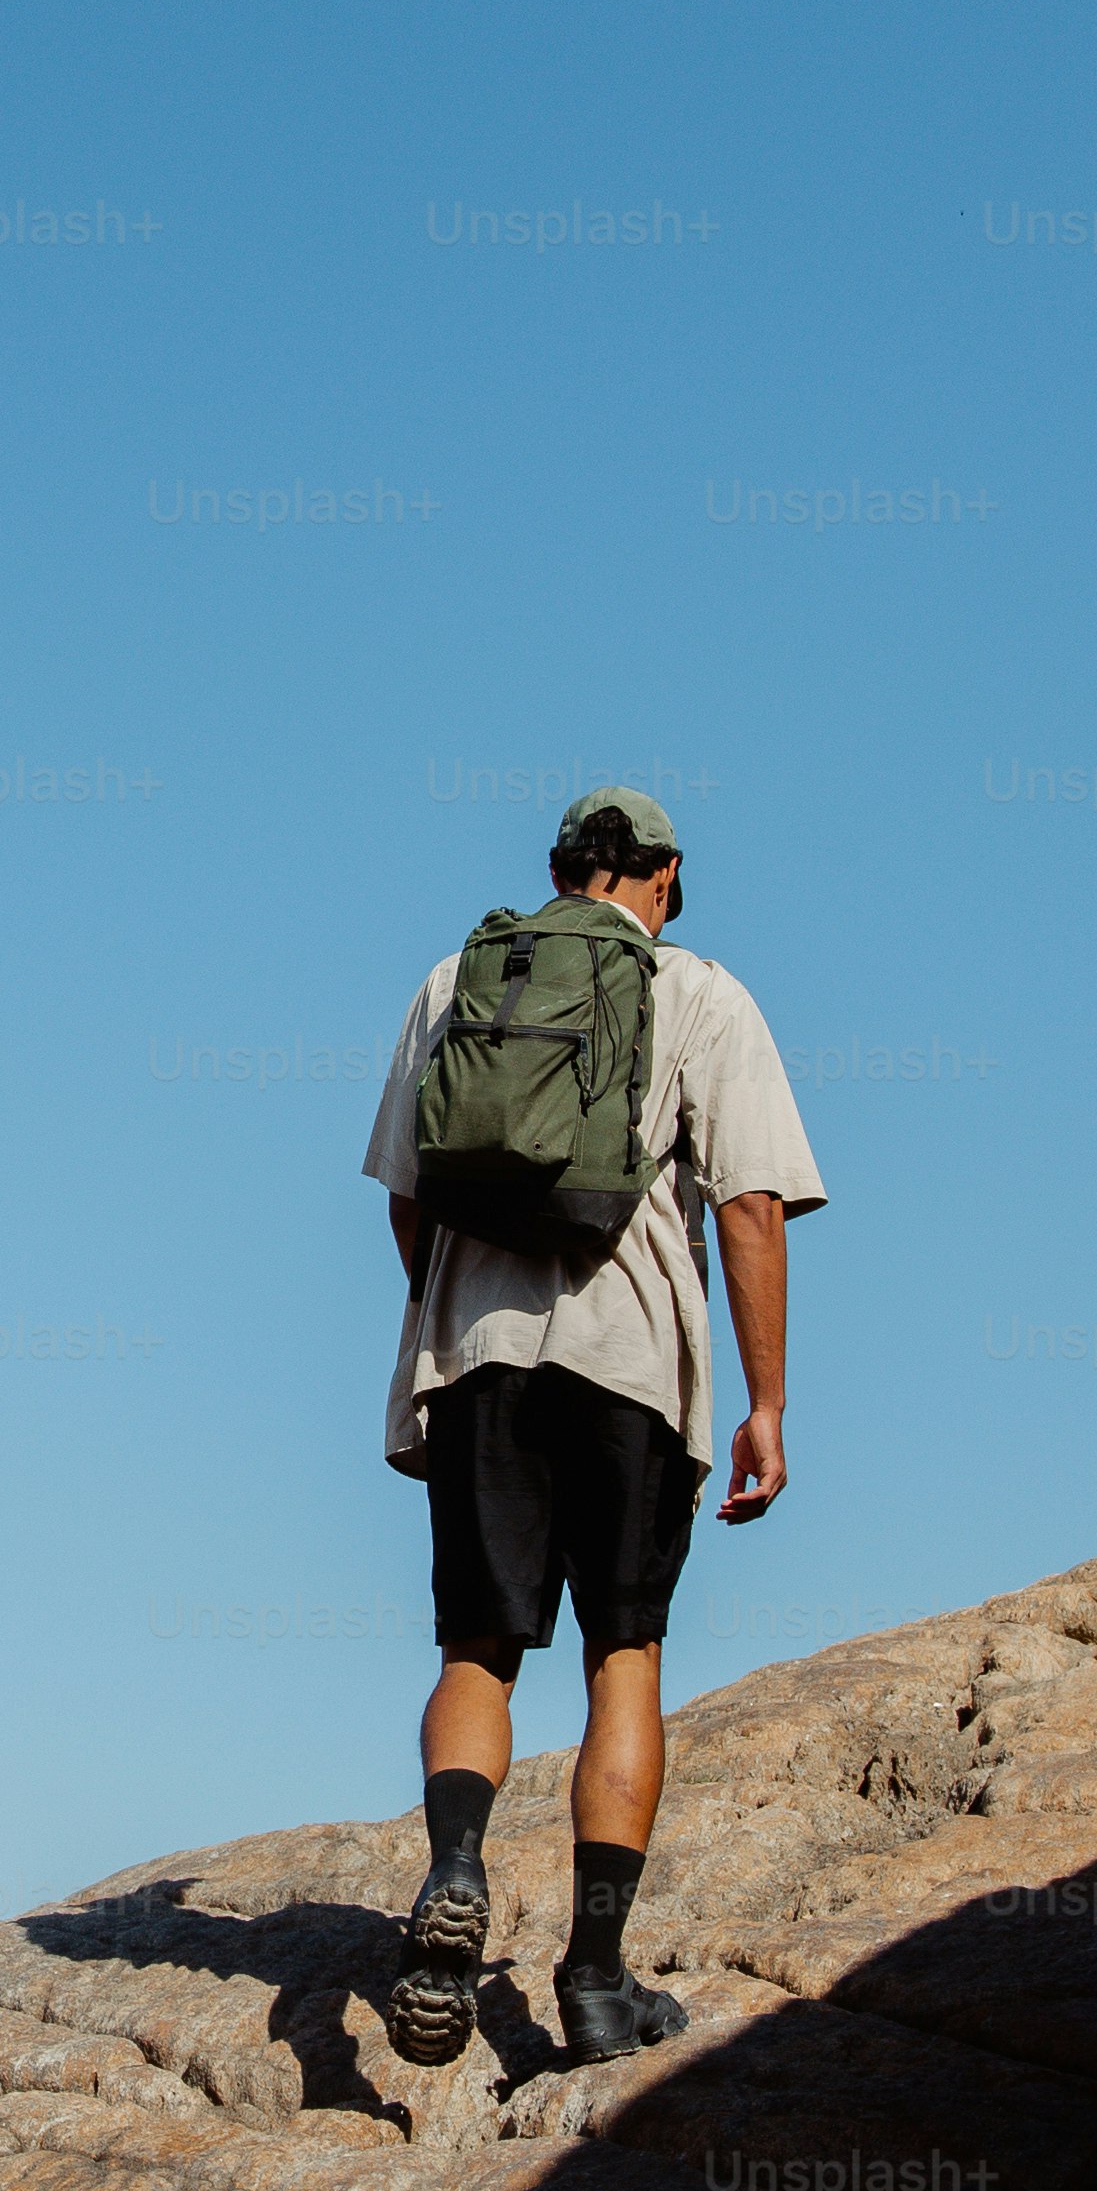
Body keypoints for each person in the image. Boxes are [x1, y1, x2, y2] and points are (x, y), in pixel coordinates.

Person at [363, 793, 823, 2069]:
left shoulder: (459, 978)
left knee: (477, 1646)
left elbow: (407, 1195)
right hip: (631, 1362)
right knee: (625, 1655)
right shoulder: (706, 993)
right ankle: (597, 1979)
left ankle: (457, 1865)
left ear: (559, 872)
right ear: (664, 877)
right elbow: (750, 1208)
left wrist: (444, 1311)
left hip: (479, 1355)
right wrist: (764, 1402)